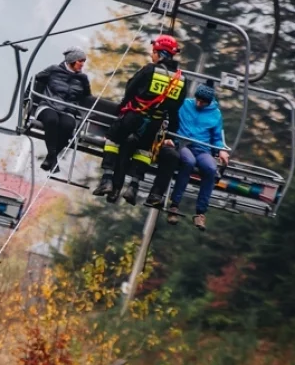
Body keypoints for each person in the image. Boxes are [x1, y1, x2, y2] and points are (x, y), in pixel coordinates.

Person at [93, 35, 187, 205]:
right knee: (144, 150)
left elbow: (130, 89)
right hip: (155, 124)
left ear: (160, 54)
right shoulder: (181, 80)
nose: (152, 56)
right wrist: (170, 135)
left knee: (113, 139)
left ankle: (106, 179)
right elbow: (175, 110)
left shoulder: (150, 70)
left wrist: (119, 111)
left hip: (134, 116)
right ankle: (133, 186)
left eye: (154, 52)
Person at [153, 84, 229, 230]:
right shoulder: (185, 105)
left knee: (211, 168)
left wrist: (221, 150)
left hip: (202, 149)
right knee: (188, 162)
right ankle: (174, 204)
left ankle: (200, 213)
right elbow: (172, 121)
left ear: (209, 102)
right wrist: (169, 137)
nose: (199, 104)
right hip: (183, 144)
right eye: (198, 100)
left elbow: (217, 137)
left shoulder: (215, 114)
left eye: (203, 102)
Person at [32, 46, 92, 172]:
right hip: (49, 104)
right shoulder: (53, 70)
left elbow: (87, 95)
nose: (82, 64)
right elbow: (36, 80)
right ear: (72, 60)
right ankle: (53, 158)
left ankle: (50, 158)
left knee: (68, 126)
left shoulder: (82, 78)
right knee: (52, 120)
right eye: (80, 61)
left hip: (68, 110)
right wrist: (29, 100)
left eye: (83, 62)